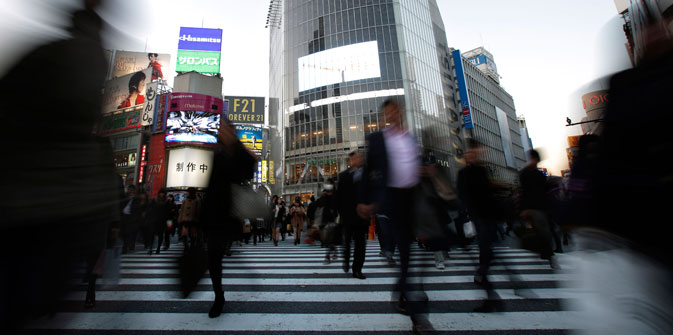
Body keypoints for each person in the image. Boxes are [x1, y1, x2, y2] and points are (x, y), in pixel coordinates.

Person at [0, 1, 118, 329]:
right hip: (62, 203)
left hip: (26, 197)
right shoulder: (84, 58)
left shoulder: (48, 53)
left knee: (19, 299)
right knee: (39, 300)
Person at [357, 99, 433, 334]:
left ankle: (401, 292)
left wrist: (424, 170)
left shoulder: (410, 139)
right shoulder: (378, 139)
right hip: (393, 200)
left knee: (416, 253)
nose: (394, 114)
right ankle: (417, 317)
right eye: (389, 111)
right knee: (406, 253)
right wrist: (365, 200)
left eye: (397, 109)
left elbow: (414, 164)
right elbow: (368, 171)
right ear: (384, 116)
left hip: (415, 200)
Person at [200, 120, 256, 318]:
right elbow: (210, 184)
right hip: (214, 214)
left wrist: (238, 145)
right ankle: (219, 297)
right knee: (214, 258)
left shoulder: (237, 152)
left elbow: (248, 171)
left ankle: (219, 297)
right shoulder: (217, 152)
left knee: (218, 252)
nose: (221, 131)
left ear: (232, 131)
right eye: (220, 128)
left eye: (225, 128)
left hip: (230, 213)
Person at [457, 139, 502, 313]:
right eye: (470, 152)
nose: (472, 154)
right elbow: (462, 195)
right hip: (478, 217)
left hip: (488, 216)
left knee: (487, 252)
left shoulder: (482, 170)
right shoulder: (465, 173)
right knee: (486, 251)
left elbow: (487, 193)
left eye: (475, 151)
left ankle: (487, 284)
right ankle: (490, 290)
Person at [518, 149, 556, 267]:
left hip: (536, 207)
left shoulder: (531, 173)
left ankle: (545, 252)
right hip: (536, 207)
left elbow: (523, 192)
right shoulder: (532, 173)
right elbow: (526, 191)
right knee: (543, 231)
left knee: (541, 231)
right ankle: (548, 253)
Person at [338, 151, 368, 279]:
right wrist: (340, 213)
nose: (357, 160)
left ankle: (357, 269)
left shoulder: (367, 174)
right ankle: (346, 259)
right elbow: (339, 196)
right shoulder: (343, 176)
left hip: (362, 216)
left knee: (361, 244)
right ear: (350, 161)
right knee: (347, 241)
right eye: (354, 158)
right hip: (348, 216)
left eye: (359, 157)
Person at [314, 179, 339, 264]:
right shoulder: (323, 195)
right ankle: (334, 249)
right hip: (323, 218)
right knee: (324, 239)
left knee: (329, 237)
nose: (327, 185)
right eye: (326, 183)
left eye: (329, 183)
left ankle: (327, 257)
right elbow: (318, 207)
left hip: (333, 218)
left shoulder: (336, 195)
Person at [147, 188, 171, 255]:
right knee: (152, 234)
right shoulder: (154, 200)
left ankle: (158, 248)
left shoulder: (167, 202)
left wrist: (169, 223)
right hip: (154, 220)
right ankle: (151, 248)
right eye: (160, 193)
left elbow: (169, 213)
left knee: (160, 235)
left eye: (163, 193)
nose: (161, 194)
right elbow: (150, 209)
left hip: (162, 221)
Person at [121, 185, 142, 254]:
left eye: (132, 190)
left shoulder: (137, 199)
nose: (131, 191)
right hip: (125, 217)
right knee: (125, 234)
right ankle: (126, 247)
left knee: (131, 234)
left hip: (133, 219)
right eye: (130, 190)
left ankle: (130, 246)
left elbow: (138, 210)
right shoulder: (124, 197)